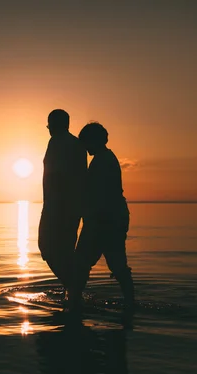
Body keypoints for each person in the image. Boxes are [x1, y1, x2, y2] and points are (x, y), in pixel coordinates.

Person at [74, 122, 135, 318]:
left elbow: (95, 193)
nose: (84, 147)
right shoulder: (106, 158)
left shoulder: (102, 161)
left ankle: (74, 301)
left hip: (104, 220)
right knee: (117, 264)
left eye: (85, 142)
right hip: (113, 217)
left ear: (95, 140)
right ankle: (130, 302)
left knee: (82, 262)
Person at [38, 109, 87, 299]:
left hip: (58, 207)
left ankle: (73, 288)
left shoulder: (59, 143)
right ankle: (72, 289)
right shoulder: (76, 144)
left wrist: (53, 205)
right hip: (71, 207)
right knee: (64, 250)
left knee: (47, 247)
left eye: (49, 125)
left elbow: (59, 177)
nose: (49, 129)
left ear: (57, 125)